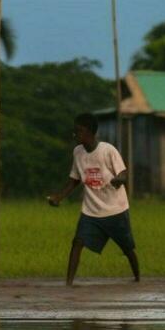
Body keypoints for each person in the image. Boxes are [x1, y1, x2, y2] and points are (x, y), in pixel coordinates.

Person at [47, 112, 139, 286]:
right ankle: (68, 282)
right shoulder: (78, 152)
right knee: (78, 241)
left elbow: (123, 173)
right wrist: (59, 197)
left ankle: (137, 278)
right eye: (75, 131)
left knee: (127, 247)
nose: (75, 135)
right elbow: (74, 180)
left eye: (79, 131)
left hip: (115, 209)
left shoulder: (108, 150)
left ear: (90, 133)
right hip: (91, 210)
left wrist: (119, 180)